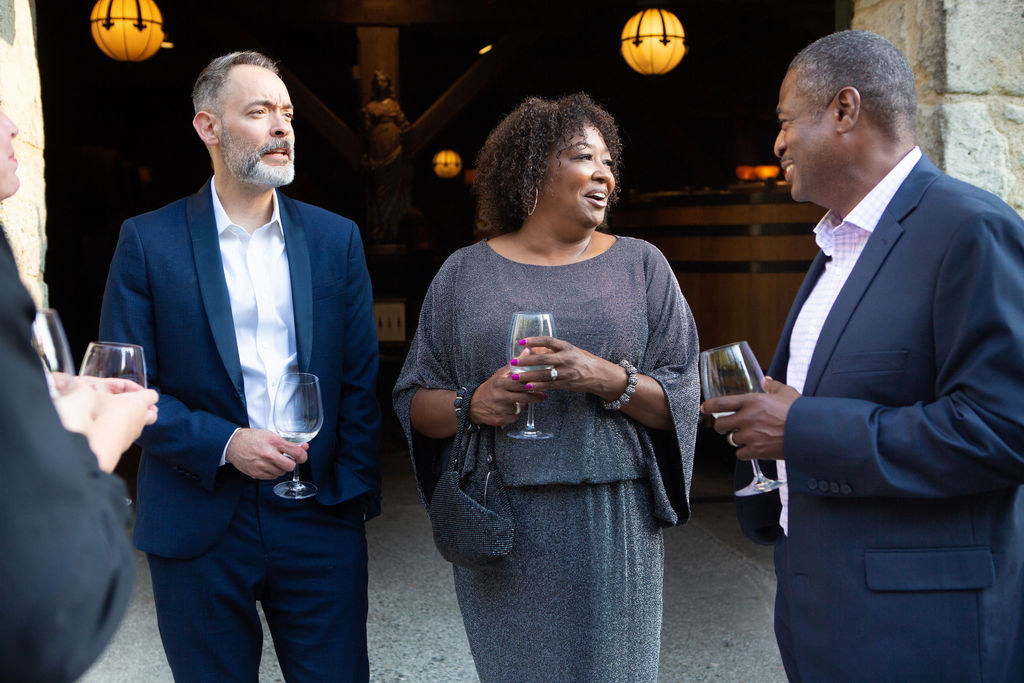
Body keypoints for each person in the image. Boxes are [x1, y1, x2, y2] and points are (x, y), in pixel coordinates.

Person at [703, 30, 1024, 681]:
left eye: (787, 121)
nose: (778, 143)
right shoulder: (839, 245)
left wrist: (800, 427)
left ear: (845, 110)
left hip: (924, 632)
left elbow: (1002, 429)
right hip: (817, 610)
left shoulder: (971, 229)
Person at [393, 93, 699, 681]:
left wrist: (606, 379)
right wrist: (471, 404)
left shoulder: (641, 266)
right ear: (532, 167)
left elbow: (686, 400)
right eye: (585, 156)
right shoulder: (465, 274)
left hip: (614, 518)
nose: (605, 173)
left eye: (610, 162)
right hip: (503, 519)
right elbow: (412, 403)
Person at [98, 51, 381, 681]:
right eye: (259, 112)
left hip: (317, 516)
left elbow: (360, 379)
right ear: (209, 127)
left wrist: (346, 496)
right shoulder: (148, 241)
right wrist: (226, 443)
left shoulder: (338, 240)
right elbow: (123, 388)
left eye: (286, 113)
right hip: (197, 514)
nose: (282, 127)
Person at [0, 107, 158, 681]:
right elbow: (45, 613)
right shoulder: (133, 237)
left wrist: (43, 385)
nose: (14, 122)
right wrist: (97, 451)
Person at [362, 70, 412, 243]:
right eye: (379, 82)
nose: (381, 85)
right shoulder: (370, 107)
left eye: (384, 81)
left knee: (392, 188)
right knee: (378, 188)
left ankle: (391, 229)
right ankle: (377, 229)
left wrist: (402, 135)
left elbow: (405, 125)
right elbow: (366, 131)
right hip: (377, 149)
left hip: (393, 148)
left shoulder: (393, 105)